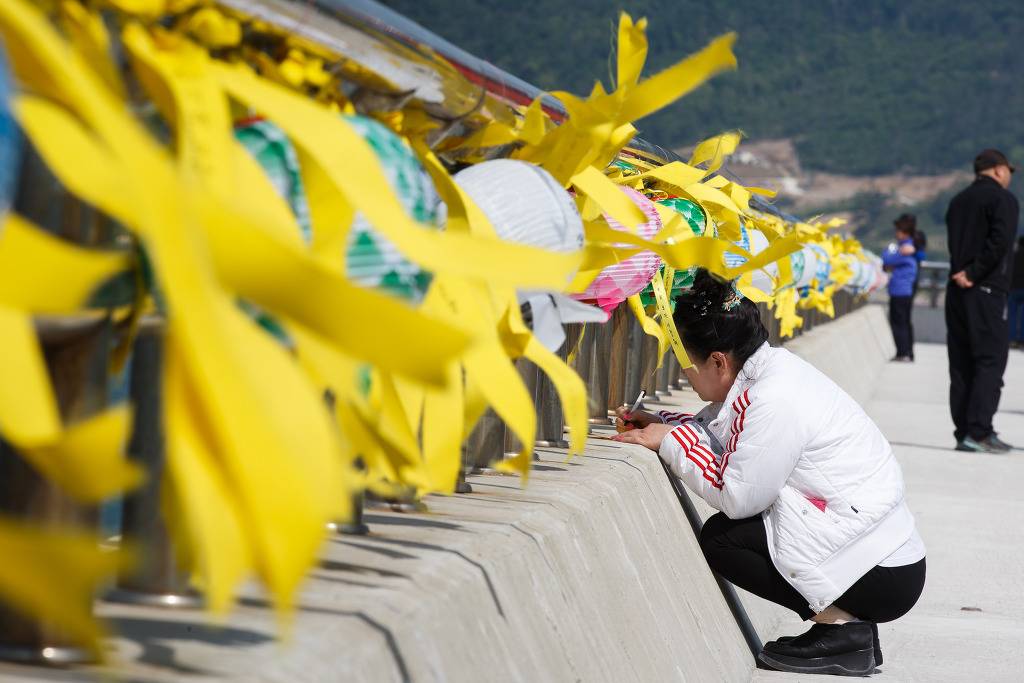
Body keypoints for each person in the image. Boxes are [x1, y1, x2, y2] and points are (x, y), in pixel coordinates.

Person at [612, 270, 926, 677]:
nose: (684, 374)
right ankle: (848, 631)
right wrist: (665, 425)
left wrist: (672, 441)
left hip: (881, 570)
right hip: (882, 552)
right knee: (736, 530)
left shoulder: (773, 398)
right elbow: (734, 436)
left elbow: (738, 496)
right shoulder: (773, 372)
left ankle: (843, 632)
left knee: (724, 539)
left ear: (718, 361)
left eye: (685, 364)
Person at [945, 149, 1019, 453]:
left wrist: (963, 274)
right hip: (986, 290)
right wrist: (974, 273)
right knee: (990, 361)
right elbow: (1000, 242)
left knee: (961, 363)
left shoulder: (958, 200)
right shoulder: (1003, 200)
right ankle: (980, 432)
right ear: (999, 170)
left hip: (956, 290)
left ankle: (963, 431)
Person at [881, 219, 919, 361]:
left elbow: (886, 259)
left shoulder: (905, 248)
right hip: (905, 291)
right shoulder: (910, 247)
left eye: (898, 230)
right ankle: (908, 352)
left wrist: (888, 252)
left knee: (898, 323)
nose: (896, 233)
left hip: (899, 291)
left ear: (904, 232)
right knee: (905, 322)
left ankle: (902, 353)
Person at [1010, 236, 1024, 349]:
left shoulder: (1014, 256)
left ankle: (1012, 339)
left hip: (1013, 288)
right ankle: (1022, 340)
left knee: (1012, 315)